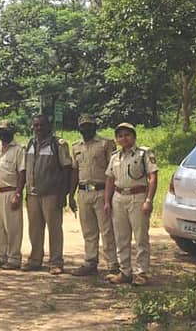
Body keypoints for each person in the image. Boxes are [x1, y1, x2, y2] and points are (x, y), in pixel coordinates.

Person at [105, 123, 158, 286]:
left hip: (138, 197)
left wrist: (148, 200)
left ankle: (141, 273)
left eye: (127, 134)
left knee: (140, 237)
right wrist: (107, 201)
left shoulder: (144, 154)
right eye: (120, 135)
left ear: (134, 136)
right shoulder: (115, 156)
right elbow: (110, 179)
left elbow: (153, 177)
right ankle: (125, 271)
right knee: (121, 237)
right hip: (119, 197)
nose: (124, 138)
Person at [70, 114, 120, 277]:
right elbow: (75, 171)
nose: (86, 128)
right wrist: (71, 194)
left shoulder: (105, 144)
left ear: (95, 126)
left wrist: (109, 195)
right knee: (88, 230)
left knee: (106, 229)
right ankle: (90, 262)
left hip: (101, 190)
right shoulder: (76, 146)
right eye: (83, 126)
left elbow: (112, 171)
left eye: (89, 125)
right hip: (84, 192)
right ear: (79, 128)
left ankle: (112, 264)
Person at [23, 114, 73, 275]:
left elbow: (67, 169)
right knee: (34, 229)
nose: (38, 128)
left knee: (54, 229)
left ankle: (56, 262)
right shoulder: (30, 143)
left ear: (49, 126)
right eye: (35, 125)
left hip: (52, 193)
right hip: (32, 193)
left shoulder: (58, 144)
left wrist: (64, 194)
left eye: (41, 125)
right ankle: (35, 260)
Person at [0, 120, 26, 270]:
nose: (2, 133)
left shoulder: (18, 149)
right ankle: (0, 255)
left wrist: (18, 193)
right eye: (0, 130)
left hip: (10, 192)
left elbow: (22, 173)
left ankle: (14, 258)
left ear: (12, 131)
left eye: (5, 130)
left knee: (13, 226)